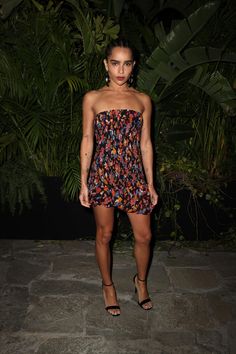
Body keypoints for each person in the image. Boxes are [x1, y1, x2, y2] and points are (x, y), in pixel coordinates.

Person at [79, 38, 158, 316]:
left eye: (126, 64)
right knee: (105, 234)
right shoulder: (93, 98)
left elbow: (146, 144)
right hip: (103, 173)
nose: (120, 70)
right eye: (115, 63)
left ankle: (141, 281)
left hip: (134, 175)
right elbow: (88, 139)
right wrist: (83, 181)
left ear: (133, 66)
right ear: (106, 64)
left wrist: (150, 183)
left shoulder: (142, 100)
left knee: (144, 235)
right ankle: (108, 285)